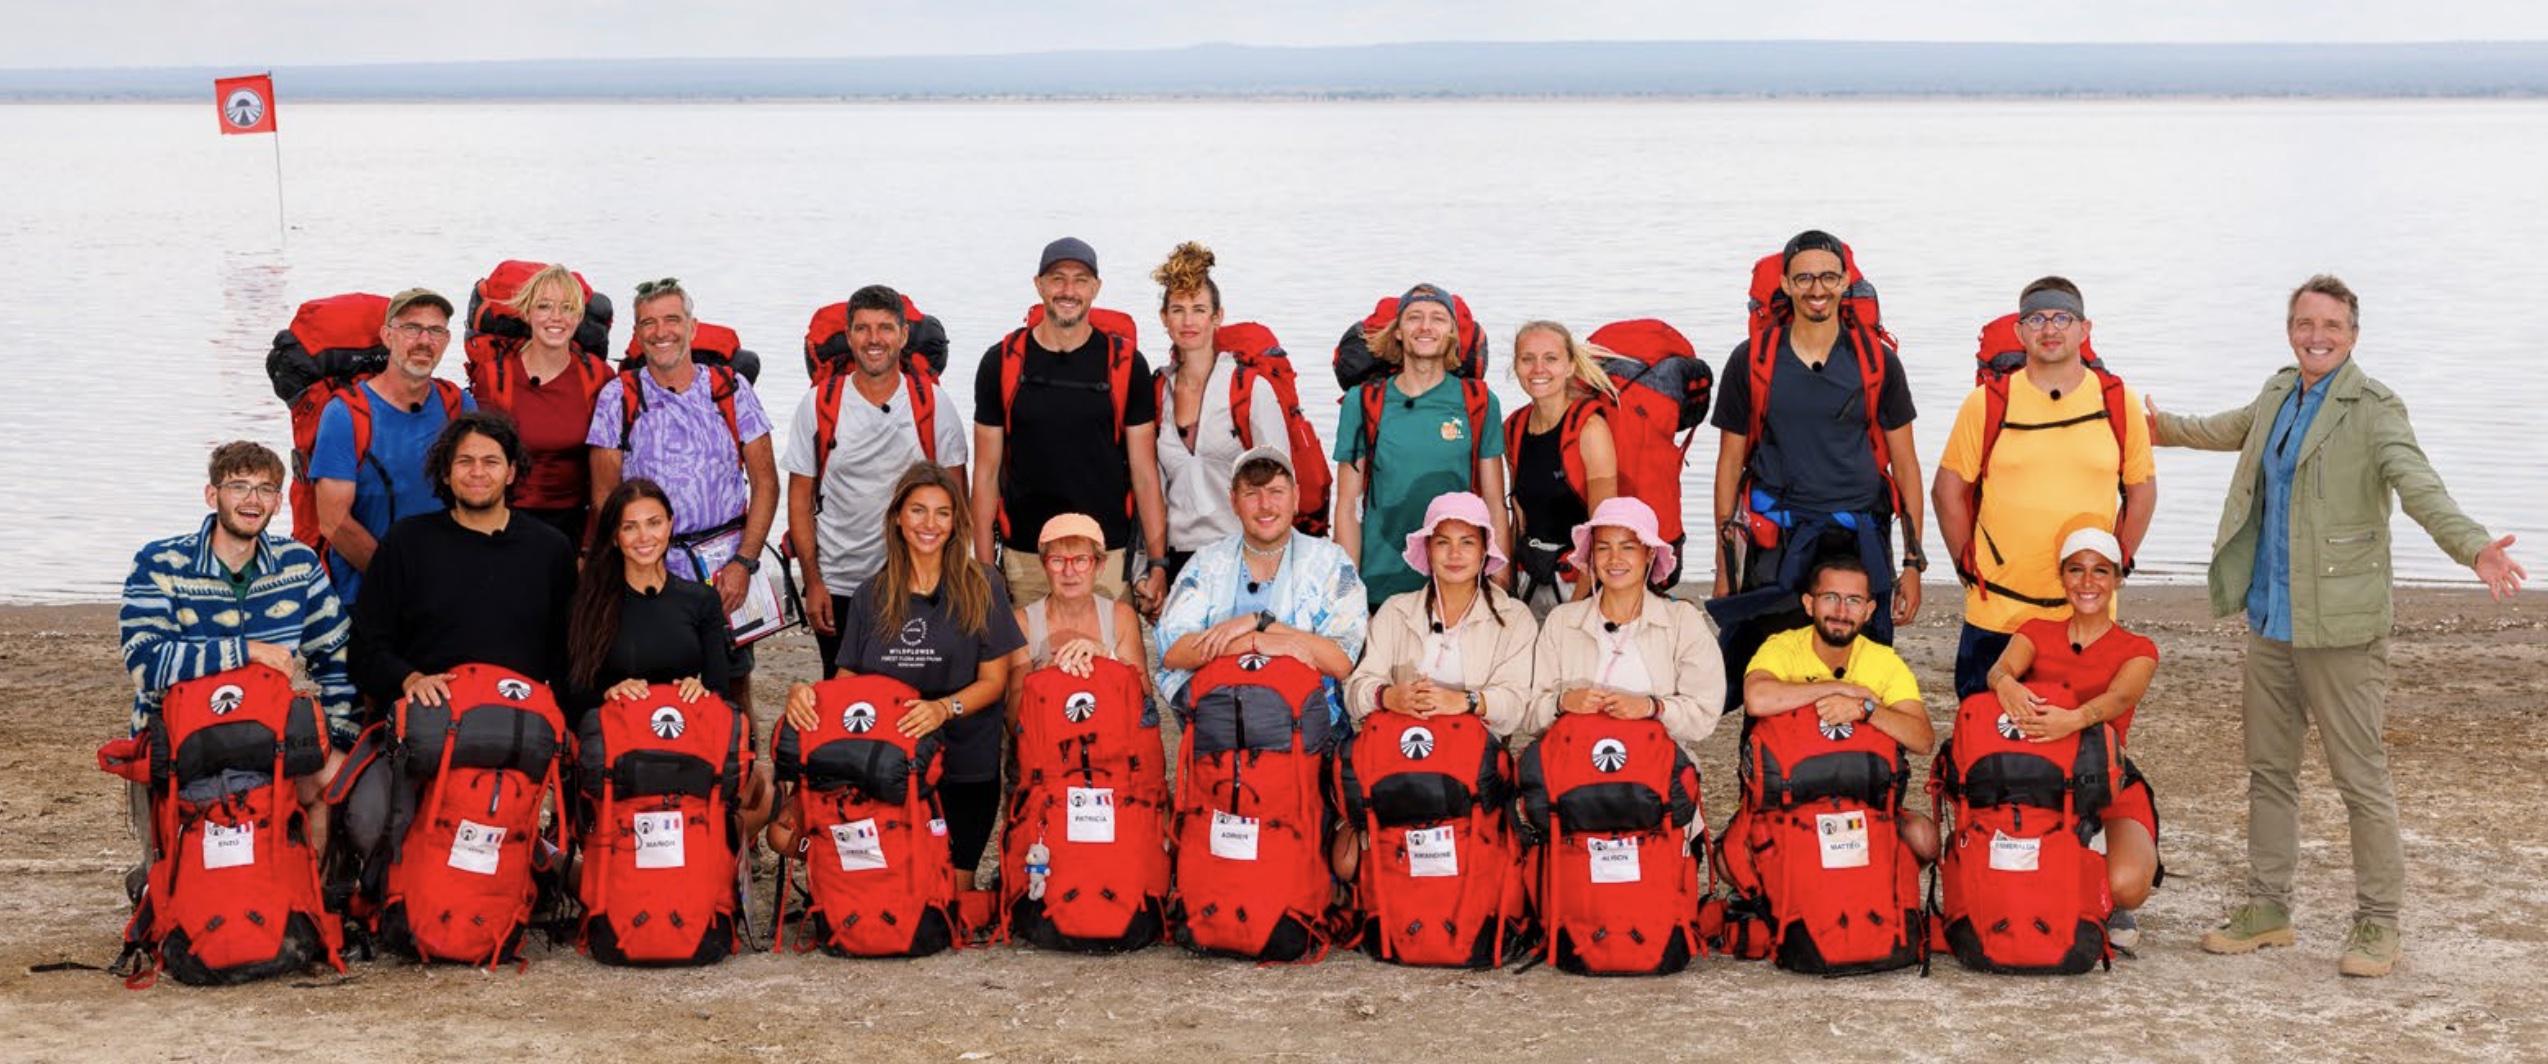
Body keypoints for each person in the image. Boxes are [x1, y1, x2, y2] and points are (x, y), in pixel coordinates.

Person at [2154, 274, 2527, 978]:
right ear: (2290, 329)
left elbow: (2420, 486)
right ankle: (2268, 908)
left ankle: (2379, 924)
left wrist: (2474, 546)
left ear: (2353, 335)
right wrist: (2153, 425)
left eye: (2329, 325)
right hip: (2270, 616)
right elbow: (2225, 431)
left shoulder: (2374, 408)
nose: (2315, 335)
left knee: (2361, 778)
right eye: (2303, 323)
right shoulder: (2277, 392)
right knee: (2269, 772)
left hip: (2343, 626)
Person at [782, 462, 1024, 883]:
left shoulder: (983, 584)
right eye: (918, 510)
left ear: (955, 521)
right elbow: (847, 688)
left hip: (962, 768)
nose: (929, 524)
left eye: (942, 513)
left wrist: (942, 710)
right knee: (791, 842)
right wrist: (806, 694)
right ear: (897, 517)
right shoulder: (870, 594)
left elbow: (994, 682)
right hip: (884, 770)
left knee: (945, 894)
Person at [120, 441, 357, 860]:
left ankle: (310, 905)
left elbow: (337, 655)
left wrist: (336, 735)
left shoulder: (297, 564)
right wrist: (245, 651)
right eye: (239, 486)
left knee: (336, 775)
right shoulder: (160, 562)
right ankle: (172, 884)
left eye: (265, 489)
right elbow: (145, 662)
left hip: (268, 735)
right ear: (213, 496)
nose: (252, 500)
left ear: (279, 501)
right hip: (178, 739)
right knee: (196, 852)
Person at [1934, 276, 2157, 699]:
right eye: (2036, 319)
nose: (2049, 329)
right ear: (2020, 332)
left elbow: (2142, 492)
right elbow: (1947, 491)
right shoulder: (1985, 403)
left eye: (2062, 318)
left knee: (2081, 746)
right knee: (1988, 744)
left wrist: (2117, 563)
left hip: (2085, 610)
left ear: (2084, 330)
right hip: (1997, 611)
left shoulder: (2117, 401)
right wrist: (1968, 564)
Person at [1709, 231, 1925, 644]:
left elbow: (1907, 465)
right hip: (1777, 539)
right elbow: (1728, 465)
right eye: (1804, 278)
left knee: (1861, 667)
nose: (1817, 289)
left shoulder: (1878, 361)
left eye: (1828, 277)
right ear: (1786, 285)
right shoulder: (1750, 360)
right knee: (1764, 669)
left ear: (1845, 282)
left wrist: (1913, 564)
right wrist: (1726, 567)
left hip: (1860, 536)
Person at [586, 277, 779, 716]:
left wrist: (745, 562)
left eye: (672, 319)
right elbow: (604, 497)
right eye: (647, 323)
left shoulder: (729, 389)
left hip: (727, 567)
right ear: (636, 334)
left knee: (732, 683)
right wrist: (631, 567)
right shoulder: (619, 396)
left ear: (692, 326)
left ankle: (739, 772)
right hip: (648, 567)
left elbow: (766, 482)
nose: (661, 332)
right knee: (648, 676)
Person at [1980, 525, 2160, 950]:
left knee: (2129, 885)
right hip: (2036, 779)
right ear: (2062, 578)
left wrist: (2075, 719)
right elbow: (1999, 671)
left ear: (2117, 579)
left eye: (2100, 571)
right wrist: (2006, 685)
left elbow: (2120, 697)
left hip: (2105, 778)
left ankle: (2100, 878)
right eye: (2076, 570)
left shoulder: (2138, 647)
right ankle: (2072, 878)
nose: (2087, 582)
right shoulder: (2036, 630)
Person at [971, 237, 1169, 612]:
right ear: (1039, 285)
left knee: (1109, 664)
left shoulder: (1127, 364)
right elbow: (985, 473)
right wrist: (984, 565)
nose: (1068, 290)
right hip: (1027, 553)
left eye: (1080, 280)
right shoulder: (1001, 363)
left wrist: (1157, 562)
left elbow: (1145, 473)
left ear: (1095, 288)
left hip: (1104, 554)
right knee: (1030, 666)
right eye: (1057, 278)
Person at [565, 477, 772, 834]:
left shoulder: (700, 600)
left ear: (671, 524)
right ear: (615, 536)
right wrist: (609, 693)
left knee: (765, 792)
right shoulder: (588, 602)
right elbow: (571, 695)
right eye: (630, 527)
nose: (645, 537)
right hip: (620, 752)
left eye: (654, 523)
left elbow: (722, 694)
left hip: (685, 742)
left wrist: (701, 691)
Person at [783, 283, 971, 673]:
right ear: (849, 336)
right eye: (863, 328)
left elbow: (957, 501)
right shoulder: (819, 403)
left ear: (903, 336)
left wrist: (954, 579)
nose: (874, 339)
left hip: (916, 580)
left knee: (911, 688)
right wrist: (813, 581)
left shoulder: (933, 403)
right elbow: (800, 500)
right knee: (842, 690)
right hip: (839, 580)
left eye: (885, 328)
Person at [352, 411, 579, 712]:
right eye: (464, 461)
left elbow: (568, 653)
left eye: (491, 461)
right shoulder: (406, 542)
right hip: (430, 718)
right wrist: (409, 679)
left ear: (511, 472)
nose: (477, 472)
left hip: (523, 720)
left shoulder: (551, 549)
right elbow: (365, 647)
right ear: (445, 472)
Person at [1736, 554, 1938, 860]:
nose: (1842, 611)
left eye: (1854, 600)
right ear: (1809, 603)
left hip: (1864, 802)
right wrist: (1840, 687)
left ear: (1869, 611)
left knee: (1923, 838)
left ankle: (1895, 900)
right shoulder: (1782, 647)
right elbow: (1756, 699)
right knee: (1733, 858)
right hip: (1790, 803)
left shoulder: (1883, 662)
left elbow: (1922, 739)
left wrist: (1865, 709)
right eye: (1830, 597)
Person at [1334, 284, 1509, 611]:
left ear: (1452, 334)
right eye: (1414, 317)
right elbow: (1347, 506)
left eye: (1438, 318)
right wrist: (1346, 591)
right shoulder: (1364, 402)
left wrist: (1499, 585)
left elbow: (1495, 503)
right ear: (1398, 331)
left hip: (1458, 584)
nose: (1425, 327)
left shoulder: (1479, 401)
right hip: (1379, 583)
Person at [1155, 446, 1367, 711]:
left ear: (1296, 497)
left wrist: (1260, 623)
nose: (1265, 505)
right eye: (1251, 494)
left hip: (1305, 726)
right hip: (1221, 720)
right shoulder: (1207, 563)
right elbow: (1173, 651)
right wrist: (1252, 642)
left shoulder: (1330, 562)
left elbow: (1340, 661)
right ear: (1233, 501)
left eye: (1276, 492)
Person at [308, 286, 476, 606]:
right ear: (387, 336)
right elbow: (333, 521)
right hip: (365, 596)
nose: (425, 341)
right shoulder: (346, 414)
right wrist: (401, 583)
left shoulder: (459, 405)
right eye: (412, 328)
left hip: (446, 592)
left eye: (436, 331)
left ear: (447, 341)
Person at [1521, 497, 1725, 746]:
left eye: (1628, 547)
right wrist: (1563, 702)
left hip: (1654, 772)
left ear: (1649, 554)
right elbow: (1530, 715)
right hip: (1573, 769)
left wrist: (1653, 707)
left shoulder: (1683, 621)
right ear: (1592, 556)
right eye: (1603, 547)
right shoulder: (1562, 621)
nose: (1614, 559)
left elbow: (1705, 715)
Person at [1150, 241, 1287, 582]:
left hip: (1245, 551)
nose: (1188, 320)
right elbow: (1150, 487)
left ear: (1217, 316)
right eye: (1178, 309)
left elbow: (1284, 480)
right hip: (1179, 557)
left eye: (1199, 309)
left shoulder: (1249, 389)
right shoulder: (1157, 392)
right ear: (1164, 318)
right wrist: (1151, 566)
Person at [470, 263, 605, 546]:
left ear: (578, 316)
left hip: (574, 524)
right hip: (507, 521)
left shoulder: (597, 376)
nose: (556, 317)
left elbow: (605, 472)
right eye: (544, 306)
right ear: (527, 313)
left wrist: (589, 547)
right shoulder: (495, 377)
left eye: (567, 308)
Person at [1502, 320, 1618, 614]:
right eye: (1527, 359)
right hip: (1530, 576)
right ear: (1516, 366)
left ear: (1569, 366)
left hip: (1579, 581)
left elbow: (1604, 526)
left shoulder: (1590, 429)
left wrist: (1578, 606)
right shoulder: (1514, 427)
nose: (1538, 369)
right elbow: (1521, 515)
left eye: (1550, 359)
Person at [1009, 512, 1150, 700]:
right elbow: (1012, 719)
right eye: (1057, 561)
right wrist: (1046, 674)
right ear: (1044, 567)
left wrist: (1107, 656)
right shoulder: (1022, 622)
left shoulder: (1121, 617)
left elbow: (1144, 697)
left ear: (1099, 566)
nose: (1069, 571)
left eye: (1081, 560)